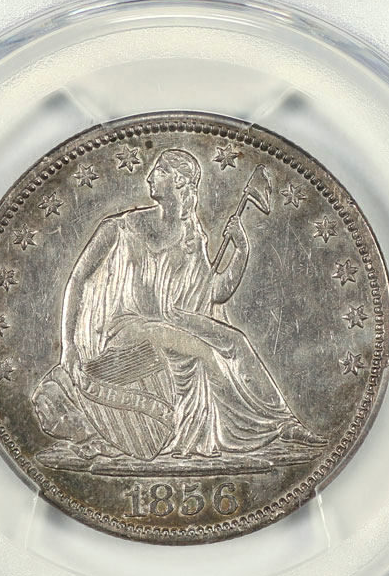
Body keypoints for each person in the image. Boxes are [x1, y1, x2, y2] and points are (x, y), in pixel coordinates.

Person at [32, 148, 321, 464]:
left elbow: (215, 292)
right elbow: (77, 279)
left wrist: (241, 251)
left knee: (236, 341)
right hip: (128, 326)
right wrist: (69, 346)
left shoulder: (191, 237)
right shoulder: (119, 227)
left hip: (172, 320)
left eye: (159, 171)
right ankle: (242, 432)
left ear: (179, 181)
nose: (149, 176)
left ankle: (283, 424)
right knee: (205, 353)